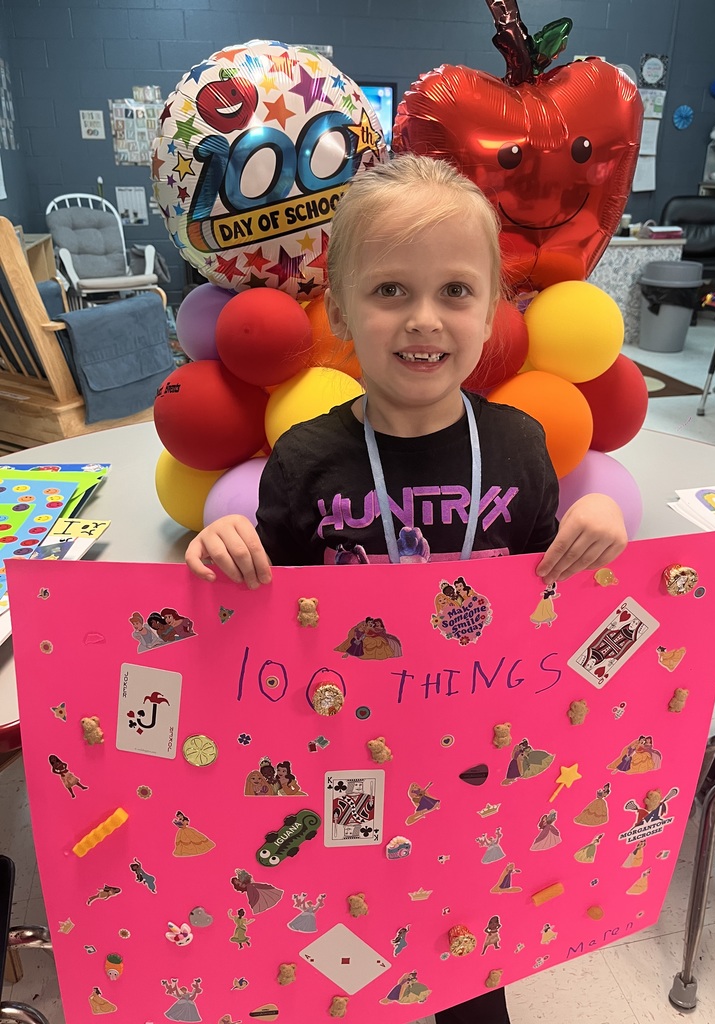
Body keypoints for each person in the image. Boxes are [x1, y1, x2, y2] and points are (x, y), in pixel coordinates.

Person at [186, 154, 627, 1024]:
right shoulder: (306, 461)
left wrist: (599, 537)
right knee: (339, 976)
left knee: (468, 980)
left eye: (456, 291)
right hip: (338, 772)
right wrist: (223, 549)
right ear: (342, 307)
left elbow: (549, 605)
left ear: (493, 306)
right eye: (390, 290)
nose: (424, 320)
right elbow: (259, 623)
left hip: (473, 772)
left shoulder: (519, 449)